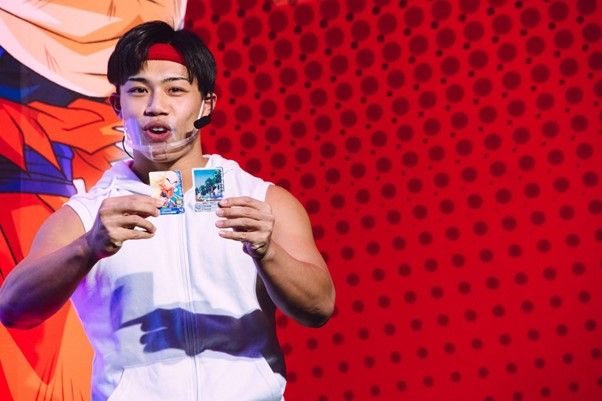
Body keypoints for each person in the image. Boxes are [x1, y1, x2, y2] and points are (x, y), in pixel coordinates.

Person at [0, 20, 335, 401]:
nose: (156, 107)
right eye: (138, 90)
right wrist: (88, 247)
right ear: (117, 104)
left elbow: (319, 308)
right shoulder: (88, 215)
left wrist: (267, 250)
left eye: (175, 89)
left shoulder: (261, 200)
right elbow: (13, 309)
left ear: (206, 103)